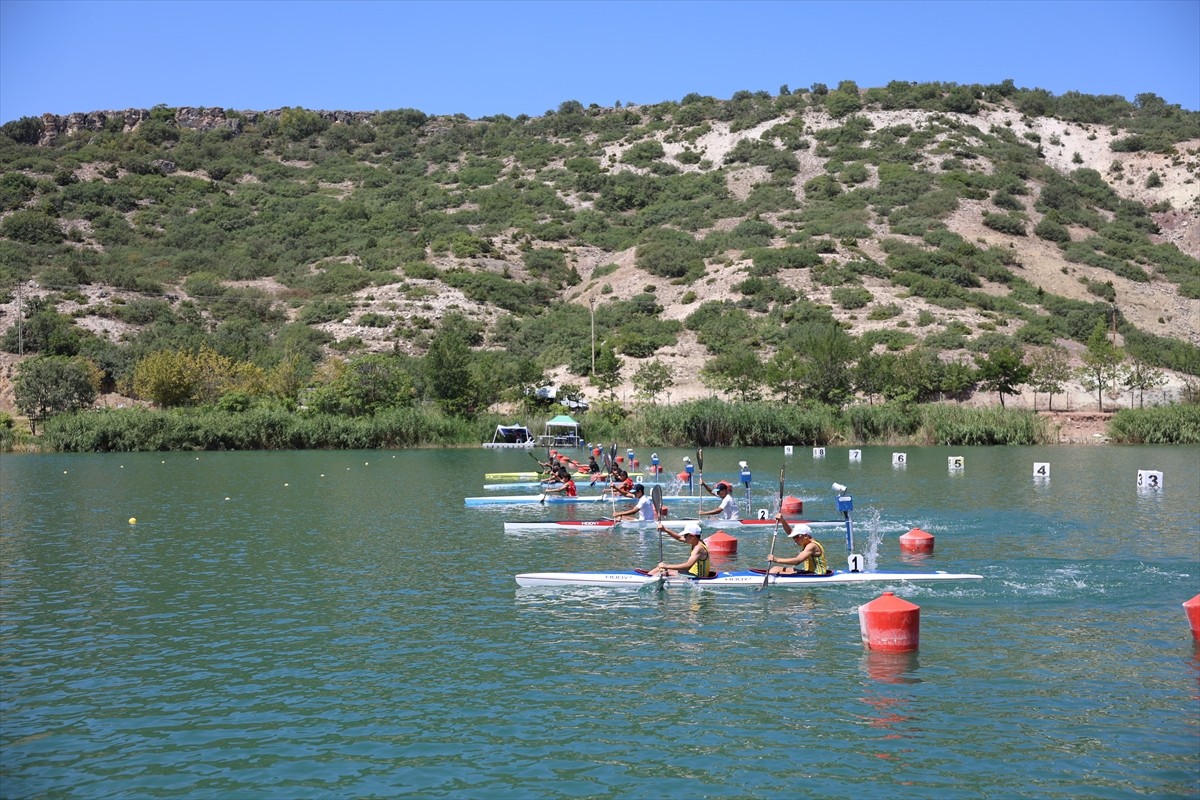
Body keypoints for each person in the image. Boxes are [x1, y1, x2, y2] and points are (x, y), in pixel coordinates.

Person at [647, 521, 711, 577]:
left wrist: (666, 566)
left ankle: (644, 581)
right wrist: (665, 529)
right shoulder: (696, 541)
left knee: (663, 572)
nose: (684, 537)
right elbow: (679, 538)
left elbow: (688, 566)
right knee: (659, 568)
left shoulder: (698, 548)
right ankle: (646, 577)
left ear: (692, 536)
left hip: (696, 577)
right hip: (690, 573)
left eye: (685, 535)